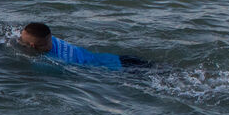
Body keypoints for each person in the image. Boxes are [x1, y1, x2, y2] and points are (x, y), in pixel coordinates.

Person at [18, 22, 149, 69]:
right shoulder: (54, 40)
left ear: (32, 46)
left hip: (118, 71)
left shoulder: (49, 61)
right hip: (120, 59)